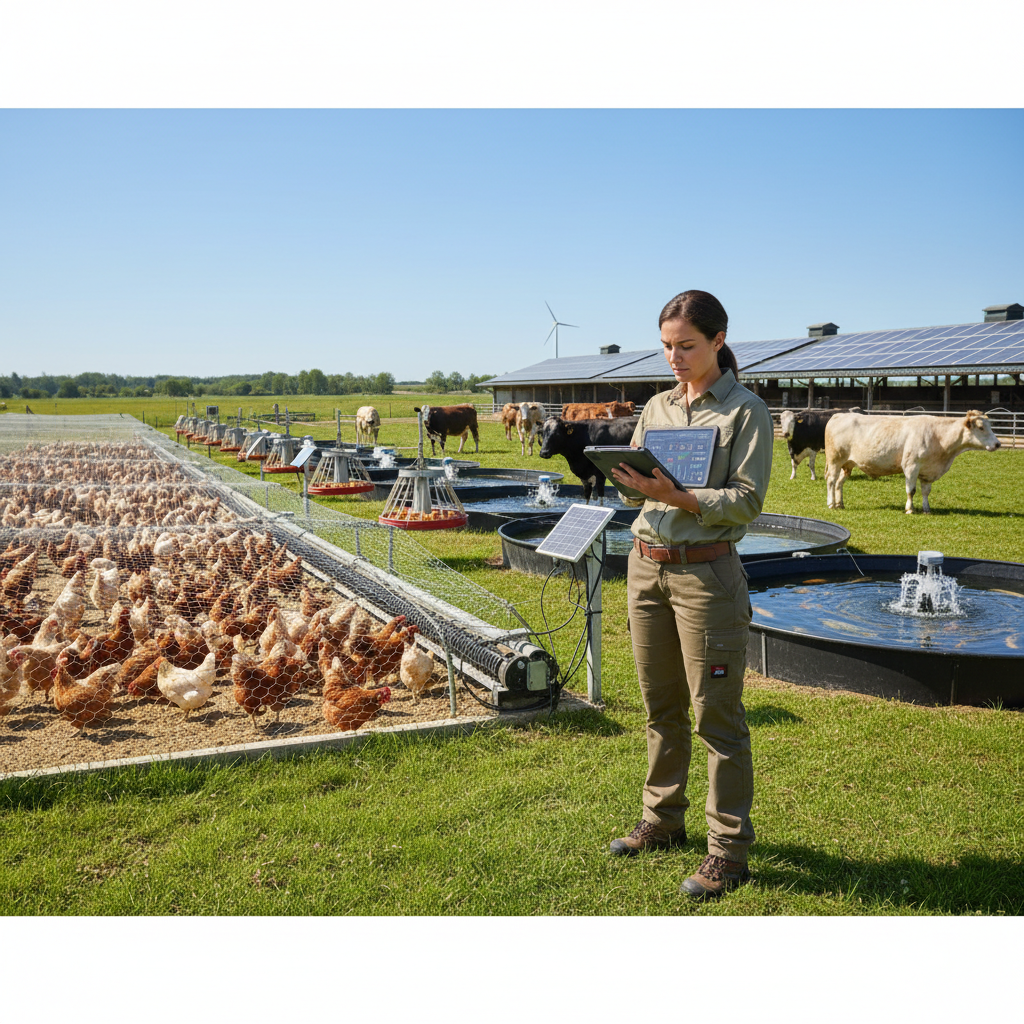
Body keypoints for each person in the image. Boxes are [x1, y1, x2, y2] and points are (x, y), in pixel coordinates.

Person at [609, 289, 774, 899]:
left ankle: (728, 851)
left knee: (717, 717)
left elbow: (748, 501)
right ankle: (661, 818)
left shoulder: (744, 411)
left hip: (705, 576)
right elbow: (638, 490)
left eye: (686, 346)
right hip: (645, 566)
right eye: (666, 347)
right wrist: (628, 478)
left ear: (718, 341)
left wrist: (679, 497)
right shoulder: (656, 406)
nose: (674, 357)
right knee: (661, 707)